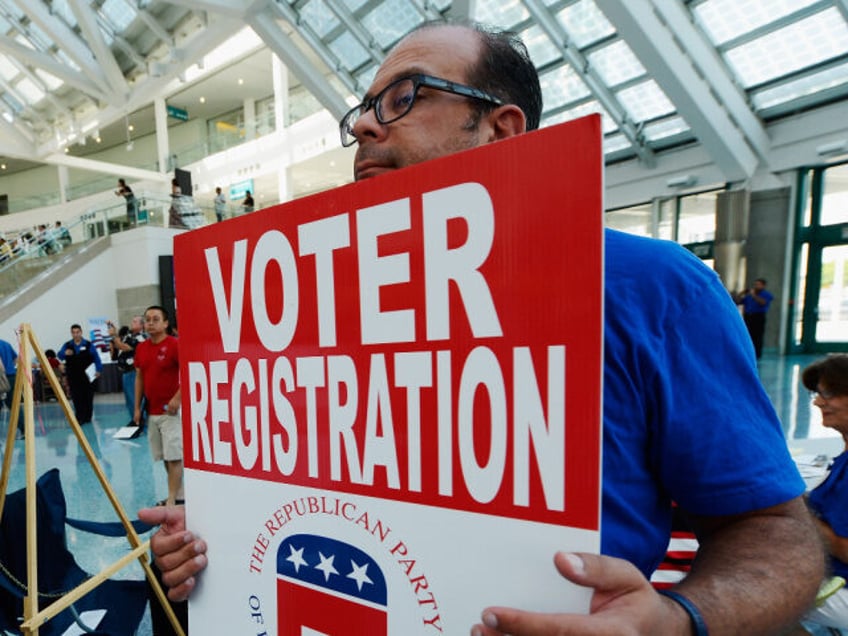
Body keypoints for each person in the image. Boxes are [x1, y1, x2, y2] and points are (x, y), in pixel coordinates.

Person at [139, 21, 824, 634]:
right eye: (362, 110)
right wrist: (210, 544)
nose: (365, 127)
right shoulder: (307, 307)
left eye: (405, 96)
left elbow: (776, 536)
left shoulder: (649, 285)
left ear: (502, 128)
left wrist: (676, 621)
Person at [791, 354, 848, 634]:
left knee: (750, 596)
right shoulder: (843, 458)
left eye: (827, 394)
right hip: (830, 574)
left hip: (841, 585)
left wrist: (794, 510)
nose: (817, 402)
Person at [134, 305, 183, 506]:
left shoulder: (174, 345)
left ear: (165, 323)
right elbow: (139, 378)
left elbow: (188, 371)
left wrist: (177, 398)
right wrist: (137, 407)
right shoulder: (142, 348)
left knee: (174, 456)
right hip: (152, 411)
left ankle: (171, 499)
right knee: (164, 455)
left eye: (155, 319)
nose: (151, 323)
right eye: (147, 319)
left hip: (171, 411)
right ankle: (178, 495)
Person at [57, 324, 101, 425]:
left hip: (87, 376)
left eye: (78, 332)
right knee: (76, 397)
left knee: (88, 397)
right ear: (71, 333)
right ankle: (79, 417)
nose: (76, 334)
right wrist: (64, 353)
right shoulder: (67, 345)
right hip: (73, 377)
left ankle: (87, 417)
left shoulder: (89, 345)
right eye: (74, 332)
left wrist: (98, 369)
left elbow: (96, 358)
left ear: (81, 332)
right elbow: (59, 355)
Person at [108, 316, 146, 423]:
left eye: (135, 322)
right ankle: (134, 421)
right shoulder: (129, 335)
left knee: (136, 399)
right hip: (125, 372)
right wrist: (114, 333)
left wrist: (114, 335)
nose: (132, 323)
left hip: (134, 372)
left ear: (141, 325)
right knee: (129, 400)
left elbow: (123, 347)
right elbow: (117, 344)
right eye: (132, 320)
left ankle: (141, 422)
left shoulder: (141, 337)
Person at [736, 277, 774, 359]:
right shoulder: (749, 295)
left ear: (763, 286)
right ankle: (748, 352)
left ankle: (757, 354)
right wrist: (741, 294)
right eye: (755, 284)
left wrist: (754, 295)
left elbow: (763, 303)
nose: (756, 286)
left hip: (758, 317)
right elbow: (738, 302)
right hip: (748, 316)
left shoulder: (766, 294)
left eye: (759, 285)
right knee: (748, 334)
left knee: (757, 335)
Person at [0, 336, 23, 439]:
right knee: (14, 405)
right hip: (11, 377)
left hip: (2, 377)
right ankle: (24, 430)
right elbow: (16, 358)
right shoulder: (6, 343)